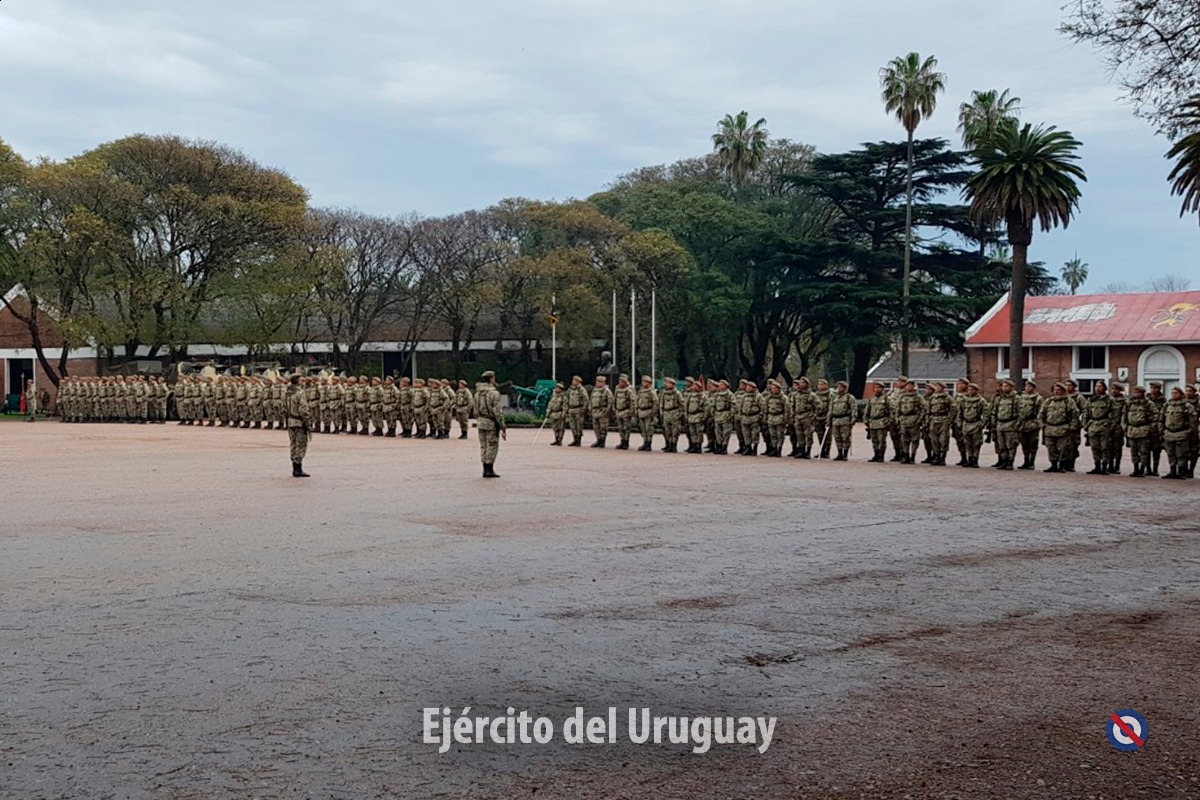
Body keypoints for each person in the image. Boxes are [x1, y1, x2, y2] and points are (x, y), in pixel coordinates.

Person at [474, 370, 506, 478]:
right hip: (491, 422)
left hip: (481, 421)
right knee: (492, 446)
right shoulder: (494, 393)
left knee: (483, 446)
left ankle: (484, 468)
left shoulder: (478, 393)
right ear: (492, 379)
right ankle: (489, 469)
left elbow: (475, 410)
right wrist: (502, 426)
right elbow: (497, 411)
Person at [1161, 386, 1197, 479]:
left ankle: (1181, 472)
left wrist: (1189, 432)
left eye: (1176, 393)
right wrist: (1162, 430)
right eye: (1172, 393)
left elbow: (1193, 422)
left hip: (1181, 433)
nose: (1173, 395)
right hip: (1169, 433)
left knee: (1181, 454)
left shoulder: (1187, 406)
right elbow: (1161, 419)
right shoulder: (1167, 405)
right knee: (1170, 453)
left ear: (1181, 395)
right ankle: (1172, 471)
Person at [1039, 383, 1076, 473]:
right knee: (1051, 448)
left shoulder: (1069, 401)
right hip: (1050, 428)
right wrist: (1042, 424)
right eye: (1055, 389)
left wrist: (1071, 427)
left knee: (1063, 448)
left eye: (1058, 390)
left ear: (1063, 391)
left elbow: (1074, 415)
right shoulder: (1048, 401)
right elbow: (1041, 414)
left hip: (1063, 428)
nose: (1056, 391)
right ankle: (1053, 465)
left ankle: (1062, 465)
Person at [1122, 385, 1158, 478]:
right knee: (1133, 452)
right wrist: (1125, 427)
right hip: (1132, 430)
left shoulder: (1148, 404)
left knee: (1144, 451)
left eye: (1139, 392)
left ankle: (1142, 468)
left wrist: (1150, 428)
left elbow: (1155, 417)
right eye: (1135, 392)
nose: (1137, 394)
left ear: (1143, 393)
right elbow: (1124, 416)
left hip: (1143, 430)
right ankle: (1135, 468)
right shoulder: (1129, 403)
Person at [285, 373, 311, 478]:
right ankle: (298, 469)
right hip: (299, 422)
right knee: (300, 444)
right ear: (297, 381)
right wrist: (307, 422)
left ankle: (294, 468)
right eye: (302, 381)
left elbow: (283, 408)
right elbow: (303, 409)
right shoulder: (300, 393)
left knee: (293, 444)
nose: (303, 383)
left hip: (290, 421)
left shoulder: (286, 393)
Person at [1016, 380, 1044, 470]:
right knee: (1024, 443)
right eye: (1026, 386)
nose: (1027, 388)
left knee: (1032, 444)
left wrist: (1038, 423)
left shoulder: (1038, 398)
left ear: (1034, 388)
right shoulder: (1021, 398)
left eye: (1030, 387)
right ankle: (1026, 460)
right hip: (1023, 423)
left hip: (1033, 423)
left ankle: (1032, 461)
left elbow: (1041, 412)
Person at [925, 382, 952, 466]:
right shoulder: (932, 398)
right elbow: (928, 410)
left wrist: (949, 420)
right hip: (933, 419)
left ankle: (943, 457)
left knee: (943, 440)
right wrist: (927, 420)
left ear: (943, 388)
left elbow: (953, 409)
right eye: (936, 386)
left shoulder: (947, 398)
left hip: (943, 420)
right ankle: (936, 457)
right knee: (934, 440)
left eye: (939, 386)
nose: (937, 388)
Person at [589, 375, 614, 448]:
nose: (598, 383)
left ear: (603, 382)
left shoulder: (606, 391)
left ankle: (603, 441)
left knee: (603, 427)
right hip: (595, 411)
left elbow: (610, 402)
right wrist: (590, 408)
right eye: (597, 381)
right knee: (596, 427)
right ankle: (598, 439)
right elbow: (591, 400)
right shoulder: (594, 390)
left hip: (602, 411)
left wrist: (607, 411)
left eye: (600, 382)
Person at [613, 374, 637, 450]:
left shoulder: (629, 389)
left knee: (626, 428)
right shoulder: (617, 388)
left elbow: (632, 401)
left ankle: (626, 442)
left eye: (621, 382)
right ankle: (622, 440)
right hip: (618, 411)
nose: (620, 383)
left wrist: (631, 412)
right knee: (620, 428)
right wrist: (615, 409)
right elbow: (615, 399)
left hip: (626, 411)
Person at [635, 375, 659, 451]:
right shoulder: (641, 391)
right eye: (642, 381)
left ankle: (649, 443)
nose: (643, 383)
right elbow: (637, 401)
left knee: (649, 428)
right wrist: (637, 410)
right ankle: (645, 442)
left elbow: (655, 403)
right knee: (643, 429)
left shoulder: (651, 392)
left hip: (648, 411)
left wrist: (653, 412)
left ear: (649, 383)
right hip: (641, 411)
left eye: (645, 382)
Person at [565, 376, 588, 447]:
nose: (573, 381)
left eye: (574, 380)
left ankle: (579, 440)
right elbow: (566, 399)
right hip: (571, 409)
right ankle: (574, 439)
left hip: (578, 409)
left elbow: (586, 400)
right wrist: (566, 408)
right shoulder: (570, 389)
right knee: (572, 426)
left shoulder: (581, 389)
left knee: (579, 425)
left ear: (578, 382)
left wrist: (583, 410)